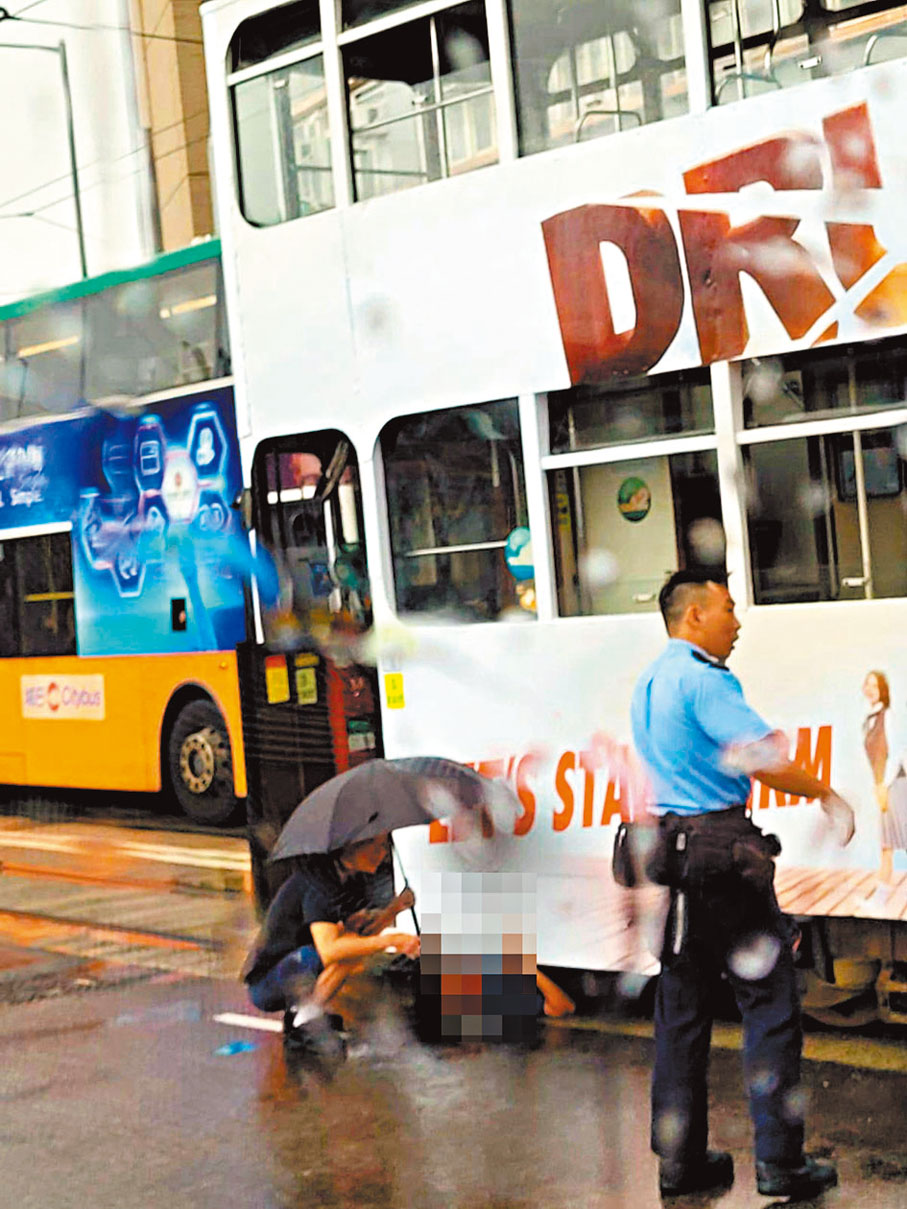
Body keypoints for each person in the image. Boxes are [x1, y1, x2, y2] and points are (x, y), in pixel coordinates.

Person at [630, 570, 855, 1200]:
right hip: (725, 861)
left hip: (673, 860)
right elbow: (765, 759)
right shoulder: (703, 680)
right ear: (694, 616)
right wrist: (827, 794)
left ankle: (680, 1164)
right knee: (771, 1010)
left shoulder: (649, 681)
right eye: (728, 609)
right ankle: (781, 1164)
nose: (738, 622)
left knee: (680, 1015)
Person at [242, 833, 420, 1058]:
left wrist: (394, 910)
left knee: (352, 946)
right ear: (354, 847)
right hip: (266, 985)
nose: (384, 854)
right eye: (379, 846)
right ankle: (305, 1017)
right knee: (341, 951)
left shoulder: (343, 878)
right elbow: (329, 950)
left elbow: (358, 935)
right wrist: (392, 940)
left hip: (294, 970)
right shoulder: (319, 886)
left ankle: (305, 1013)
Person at [861, 670, 907, 909]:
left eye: (875, 685)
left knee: (894, 841)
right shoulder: (869, 718)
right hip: (883, 786)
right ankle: (880, 900)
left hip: (896, 785)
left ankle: (880, 899)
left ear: (883, 690)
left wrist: (884, 786)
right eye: (867, 685)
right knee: (886, 844)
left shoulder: (888, 715)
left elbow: (896, 753)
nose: (869, 689)